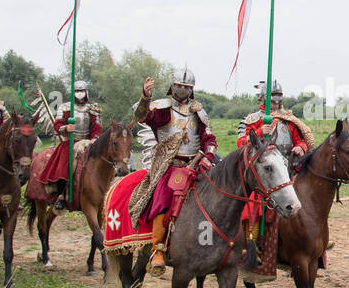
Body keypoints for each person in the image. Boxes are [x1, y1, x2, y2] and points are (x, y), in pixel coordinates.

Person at [131, 66, 217, 276]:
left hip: (195, 165)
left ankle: (214, 244)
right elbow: (142, 117)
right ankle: (158, 249)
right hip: (169, 166)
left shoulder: (198, 112)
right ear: (172, 86)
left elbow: (209, 138)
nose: (182, 90)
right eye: (179, 86)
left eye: (186, 87)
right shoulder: (162, 108)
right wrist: (145, 96)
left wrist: (208, 155)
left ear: (192, 89)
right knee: (164, 197)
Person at [45, 80, 103, 210]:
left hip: (88, 142)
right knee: (65, 165)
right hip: (70, 142)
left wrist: (95, 138)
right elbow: (57, 125)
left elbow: (97, 127)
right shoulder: (65, 107)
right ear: (73, 93)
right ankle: (60, 195)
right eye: (77, 91)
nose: (80, 94)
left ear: (86, 92)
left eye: (82, 91)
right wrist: (66, 128)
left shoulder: (92, 109)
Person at [237, 80, 312, 161]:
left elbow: (300, 142)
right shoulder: (252, 119)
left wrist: (300, 147)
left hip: (287, 165)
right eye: (272, 102)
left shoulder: (287, 119)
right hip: (262, 167)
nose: (275, 104)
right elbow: (240, 144)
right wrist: (259, 133)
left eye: (277, 102)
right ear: (264, 99)